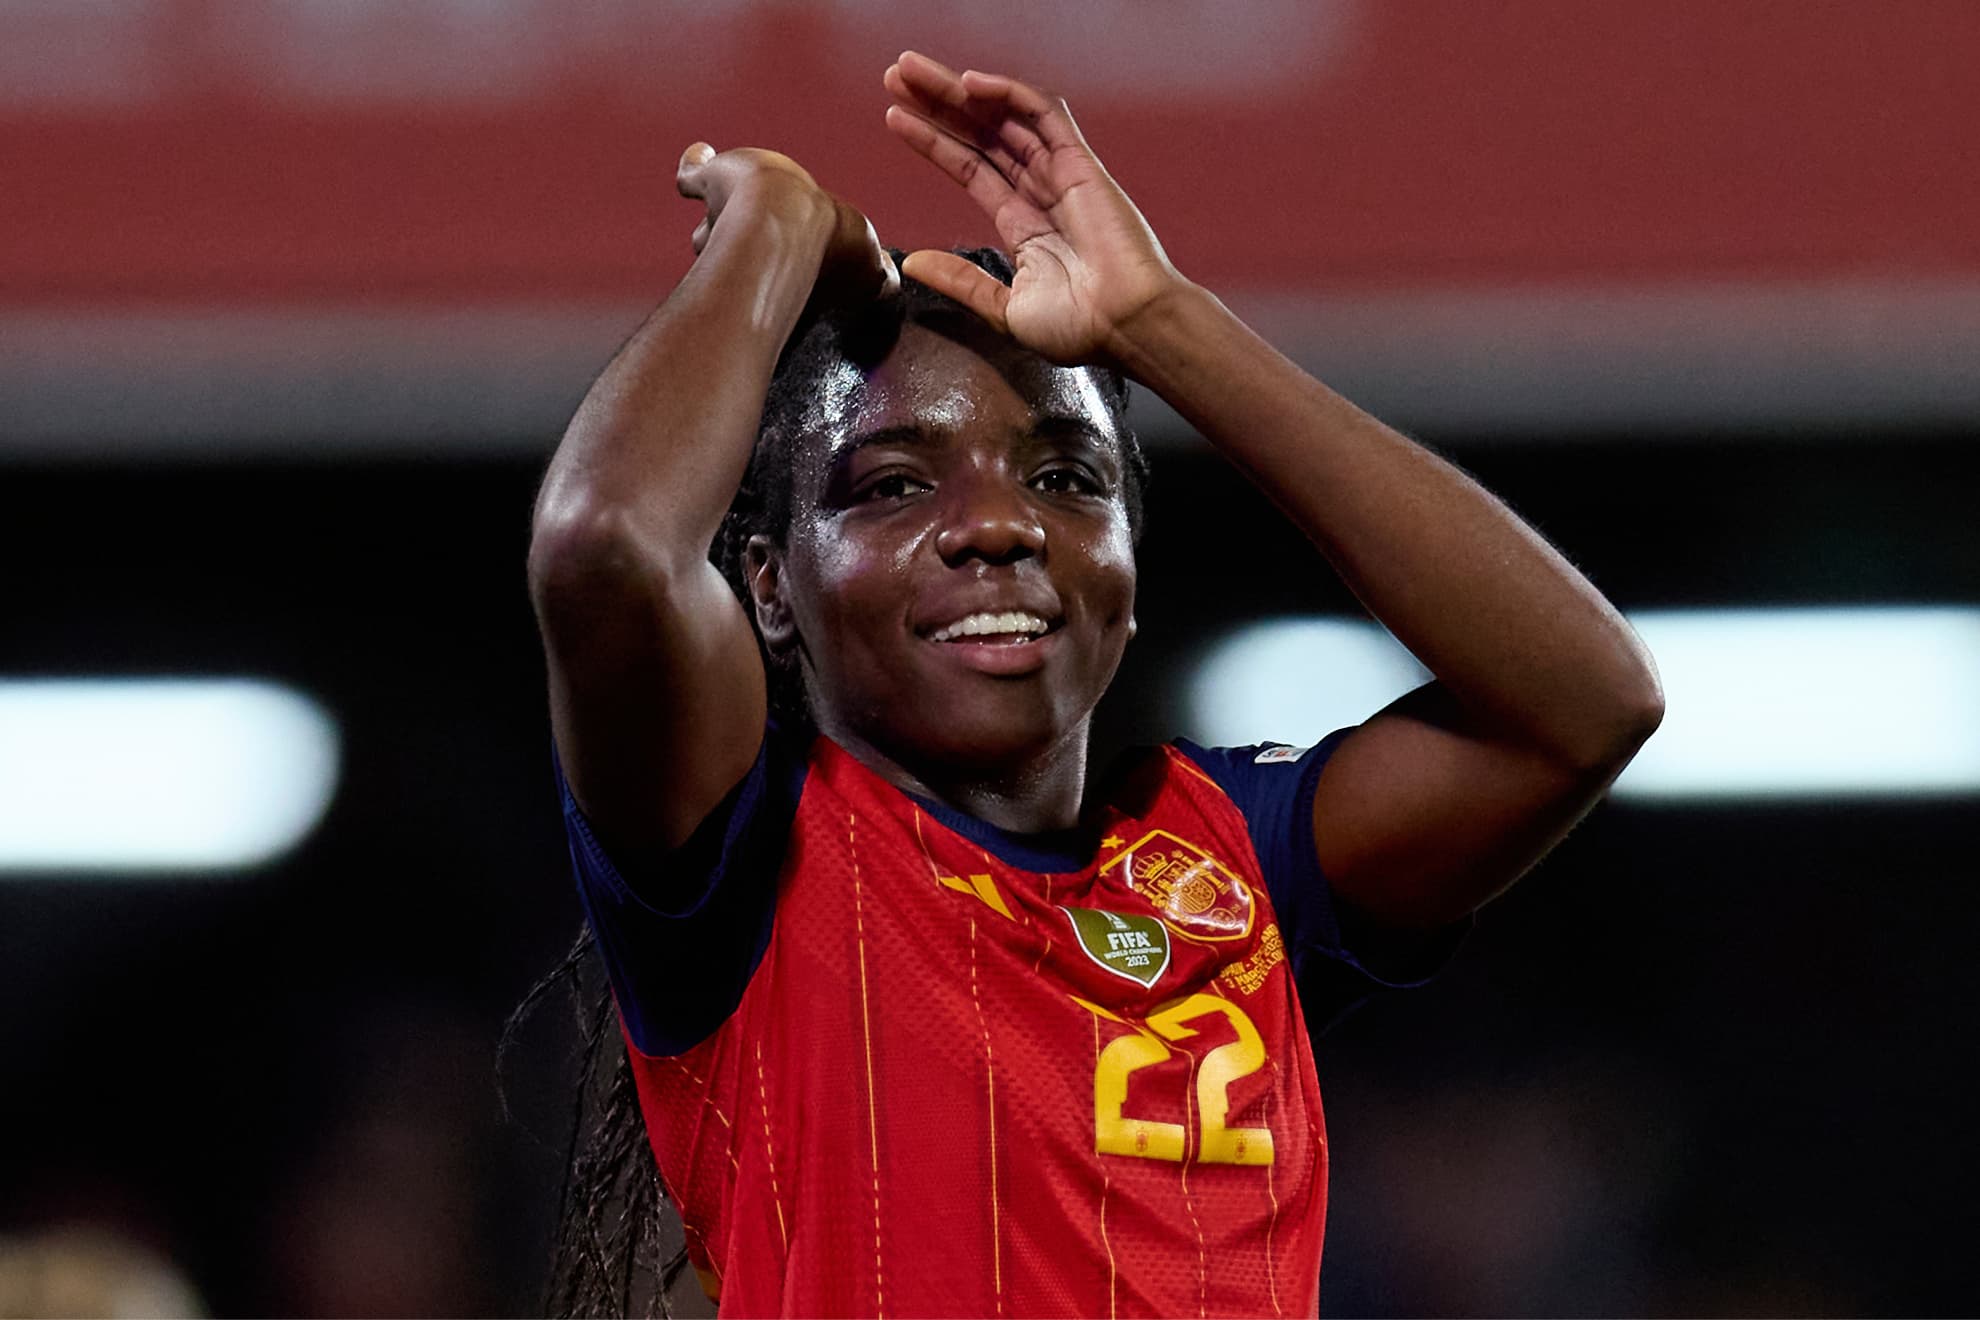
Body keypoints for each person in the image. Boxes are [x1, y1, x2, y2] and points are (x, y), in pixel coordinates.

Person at [526, 50, 1663, 1318]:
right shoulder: (739, 859)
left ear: (1128, 565)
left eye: (1067, 478)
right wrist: (775, 235)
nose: (997, 527)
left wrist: (1164, 326)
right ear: (771, 590)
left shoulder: (1247, 863)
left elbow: (1588, 703)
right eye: (895, 484)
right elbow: (603, 548)